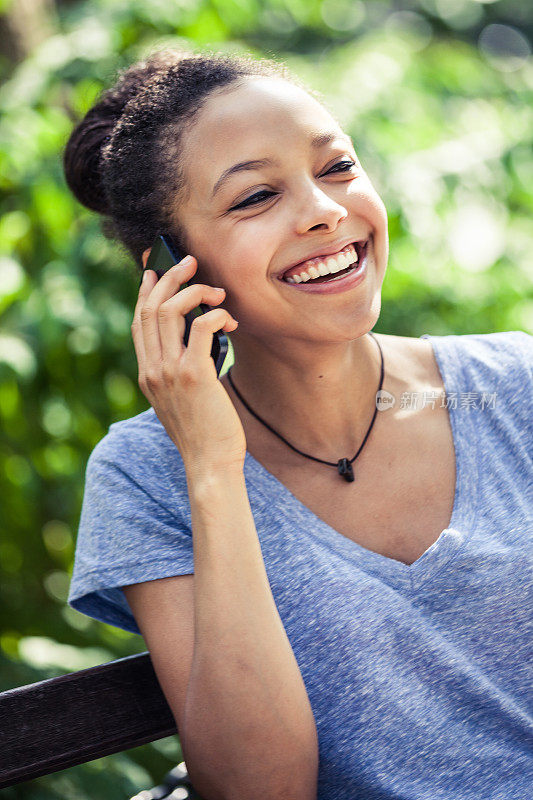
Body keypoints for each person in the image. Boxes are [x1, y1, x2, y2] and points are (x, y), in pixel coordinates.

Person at [65, 48, 533, 800]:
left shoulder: (514, 386)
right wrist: (214, 467)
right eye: (255, 198)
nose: (323, 209)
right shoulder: (147, 475)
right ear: (170, 267)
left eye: (338, 166)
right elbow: (260, 791)